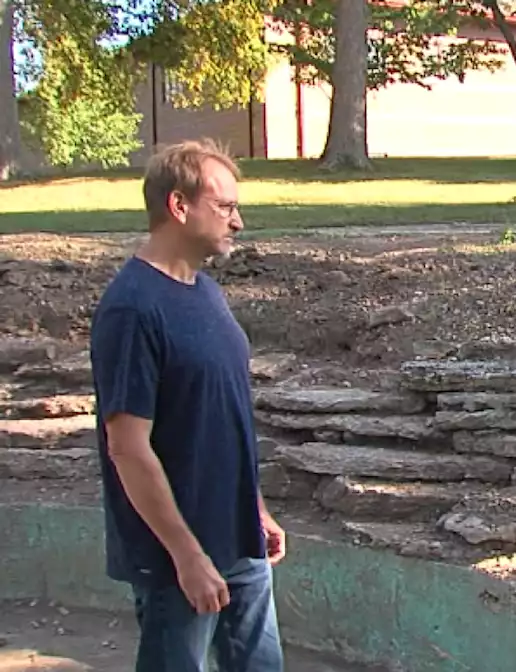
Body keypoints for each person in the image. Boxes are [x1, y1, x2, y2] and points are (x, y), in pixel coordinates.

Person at [90, 139, 287, 672]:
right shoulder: (131, 310)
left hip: (238, 538)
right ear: (179, 206)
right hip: (177, 557)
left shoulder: (204, 292)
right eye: (225, 207)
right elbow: (128, 449)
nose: (238, 222)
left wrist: (256, 507)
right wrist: (187, 555)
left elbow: (220, 416)